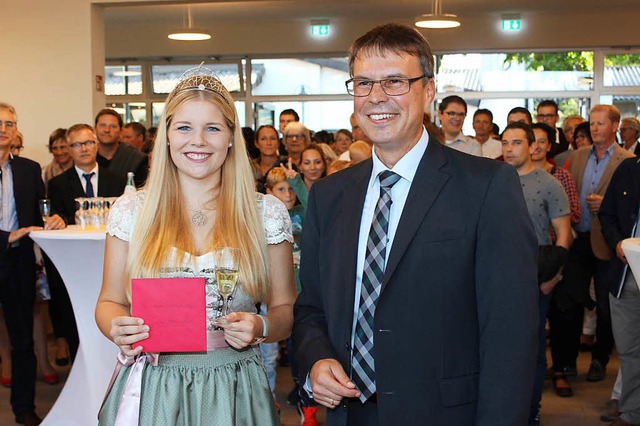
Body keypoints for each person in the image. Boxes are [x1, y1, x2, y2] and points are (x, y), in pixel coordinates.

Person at [292, 23, 538, 425]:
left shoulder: (487, 186)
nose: (376, 98)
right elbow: (311, 308)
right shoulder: (330, 195)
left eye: (394, 82)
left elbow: (510, 332)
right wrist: (316, 359)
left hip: (445, 414)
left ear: (428, 90)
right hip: (350, 412)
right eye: (364, 83)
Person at [95, 68, 296, 425]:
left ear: (232, 136)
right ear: (167, 136)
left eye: (213, 128)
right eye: (185, 127)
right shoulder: (132, 210)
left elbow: (285, 309)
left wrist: (261, 326)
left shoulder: (265, 212)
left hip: (234, 386)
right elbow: (110, 301)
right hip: (157, 386)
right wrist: (117, 327)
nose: (198, 141)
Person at [502, 122, 572, 424]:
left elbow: (565, 236)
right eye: (504, 142)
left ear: (532, 147)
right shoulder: (494, 179)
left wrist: (553, 278)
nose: (508, 149)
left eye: (516, 143)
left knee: (530, 349)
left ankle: (531, 411)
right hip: (496, 276)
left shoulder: (548, 183)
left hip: (536, 277)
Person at [0, 102, 65, 426]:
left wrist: (52, 219)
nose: (3, 128)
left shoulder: (28, 168)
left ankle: (24, 408)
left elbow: (40, 213)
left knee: (23, 340)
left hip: (19, 262)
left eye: (9, 123)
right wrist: (6, 237)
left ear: (16, 130)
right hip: (6, 246)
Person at [560, 105, 634, 385]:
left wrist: (607, 205)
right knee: (571, 302)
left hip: (608, 243)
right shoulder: (577, 157)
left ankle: (600, 359)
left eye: (600, 123)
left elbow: (630, 205)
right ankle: (567, 363)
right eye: (592, 123)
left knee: (606, 307)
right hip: (578, 240)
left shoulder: (627, 160)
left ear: (615, 126)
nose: (594, 128)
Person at [600, 155, 640, 426]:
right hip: (627, 273)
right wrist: (616, 243)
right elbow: (607, 213)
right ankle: (631, 413)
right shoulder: (628, 169)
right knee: (628, 349)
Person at [48, 124, 127, 225]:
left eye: (89, 143)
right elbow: (58, 217)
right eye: (77, 144)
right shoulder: (58, 184)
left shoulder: (117, 181)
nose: (84, 149)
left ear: (97, 145)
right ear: (69, 150)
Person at [95, 109, 149, 188]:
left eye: (113, 126)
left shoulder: (136, 158)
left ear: (121, 131)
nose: (107, 130)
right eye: (102, 125)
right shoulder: (87, 158)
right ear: (95, 128)